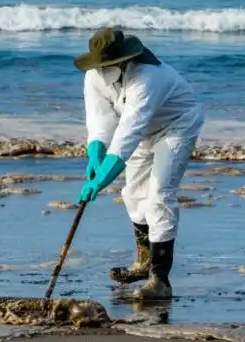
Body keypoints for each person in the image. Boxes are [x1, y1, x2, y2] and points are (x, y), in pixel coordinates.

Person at [73, 27, 204, 300]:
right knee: (133, 195)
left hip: (176, 126)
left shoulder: (147, 77)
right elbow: (100, 118)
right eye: (99, 65)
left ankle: (160, 281)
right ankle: (143, 263)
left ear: (123, 59)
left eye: (108, 65)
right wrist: (95, 154)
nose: (102, 70)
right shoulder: (93, 76)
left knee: (158, 196)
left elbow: (127, 133)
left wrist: (100, 181)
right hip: (143, 133)